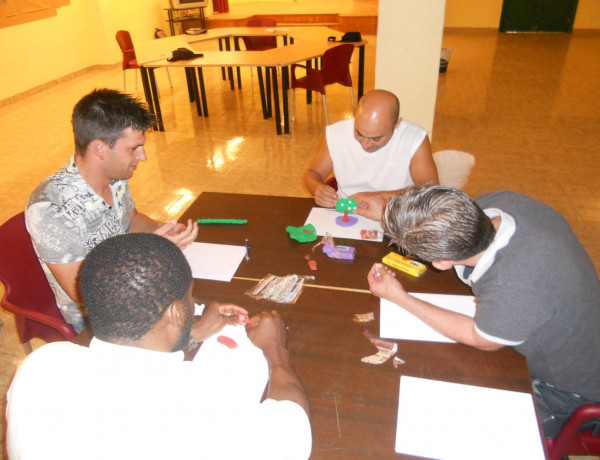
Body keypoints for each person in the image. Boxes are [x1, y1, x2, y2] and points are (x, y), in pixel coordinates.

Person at [6, 233, 312, 459]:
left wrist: (194, 331)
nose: (194, 304)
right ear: (176, 312)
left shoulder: (42, 365)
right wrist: (275, 351)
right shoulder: (202, 416)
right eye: (191, 298)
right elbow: (295, 428)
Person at [368, 184, 600, 439]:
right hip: (574, 327)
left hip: (575, 389)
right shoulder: (501, 201)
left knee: (460, 433)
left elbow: (481, 339)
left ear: (442, 263)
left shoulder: (513, 285)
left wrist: (399, 297)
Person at [25, 88, 198, 332]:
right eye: (133, 148)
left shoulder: (114, 175)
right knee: (187, 331)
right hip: (97, 315)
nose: (143, 156)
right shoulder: (51, 208)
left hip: (133, 281)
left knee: (198, 303)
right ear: (100, 149)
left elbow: (132, 219)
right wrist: (147, 251)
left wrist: (164, 228)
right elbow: (82, 292)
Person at [302, 89, 439, 221]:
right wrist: (317, 188)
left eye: (376, 138)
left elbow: (430, 191)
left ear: (396, 124)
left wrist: (381, 197)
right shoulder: (336, 134)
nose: (365, 144)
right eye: (359, 134)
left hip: (397, 214)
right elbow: (312, 173)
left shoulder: (414, 139)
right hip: (348, 215)